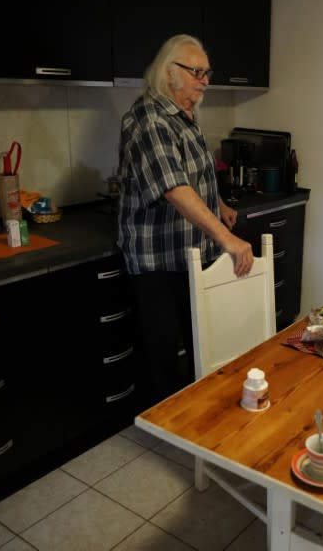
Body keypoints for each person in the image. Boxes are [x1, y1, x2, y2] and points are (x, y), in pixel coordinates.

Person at [117, 34, 253, 403]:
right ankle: (168, 428)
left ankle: (197, 416)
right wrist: (227, 239)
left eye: (206, 72)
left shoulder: (185, 116)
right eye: (196, 71)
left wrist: (219, 202)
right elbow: (174, 187)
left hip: (190, 253)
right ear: (169, 72)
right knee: (162, 354)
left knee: (201, 340)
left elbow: (196, 174)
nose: (205, 80)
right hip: (158, 260)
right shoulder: (149, 119)